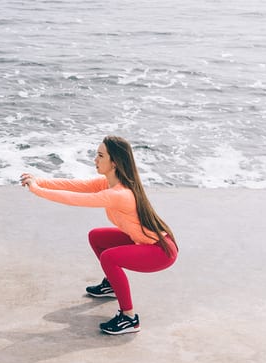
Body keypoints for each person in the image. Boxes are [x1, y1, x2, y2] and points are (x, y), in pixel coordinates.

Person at [20, 136, 178, 335]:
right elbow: (73, 186)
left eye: (100, 155)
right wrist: (39, 181)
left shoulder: (120, 194)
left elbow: (74, 199)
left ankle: (129, 318)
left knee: (109, 257)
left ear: (114, 162)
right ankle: (112, 285)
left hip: (161, 252)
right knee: (97, 237)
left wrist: (37, 189)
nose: (95, 159)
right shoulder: (107, 183)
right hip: (146, 241)